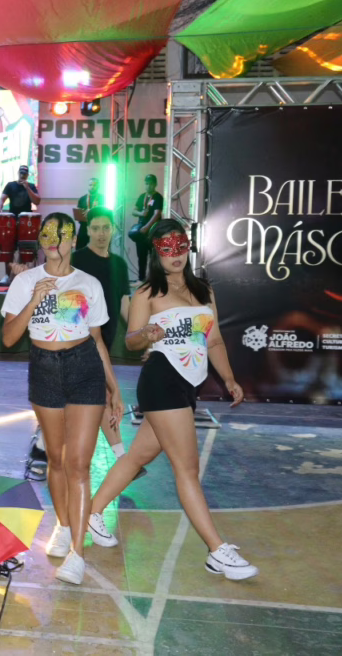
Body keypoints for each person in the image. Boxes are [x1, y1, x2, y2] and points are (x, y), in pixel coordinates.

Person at [86, 219, 258, 581]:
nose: (175, 254)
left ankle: (93, 512)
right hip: (162, 380)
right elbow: (132, 341)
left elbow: (213, 340)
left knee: (138, 456)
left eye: (180, 246)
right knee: (187, 469)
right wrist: (146, 334)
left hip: (187, 386)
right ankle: (217, 551)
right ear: (156, 253)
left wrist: (229, 378)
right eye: (166, 248)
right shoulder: (148, 293)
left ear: (188, 247)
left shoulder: (204, 290)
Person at [0, 212, 123, 585]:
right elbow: (8, 338)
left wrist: (114, 387)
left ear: (73, 240)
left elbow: (98, 340)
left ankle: (77, 554)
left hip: (84, 367)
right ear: (41, 240)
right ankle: (65, 525)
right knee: (56, 458)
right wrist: (33, 301)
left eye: (63, 234)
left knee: (79, 464)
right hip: (44, 369)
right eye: (48, 234)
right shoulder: (25, 281)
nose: (55, 240)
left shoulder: (88, 283)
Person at [71, 207, 134, 463]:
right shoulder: (76, 260)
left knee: (99, 398)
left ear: (113, 230)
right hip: (78, 343)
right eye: (96, 228)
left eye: (105, 228)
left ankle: (43, 443)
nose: (101, 233)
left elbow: (124, 304)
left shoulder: (119, 264)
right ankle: (122, 459)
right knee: (102, 396)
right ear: (88, 230)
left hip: (103, 342)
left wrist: (141, 334)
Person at [0, 164, 41, 280]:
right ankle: (7, 275)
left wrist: (28, 188)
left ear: (27, 175)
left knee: (24, 250)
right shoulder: (10, 185)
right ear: (18, 173)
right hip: (11, 221)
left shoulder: (31, 186)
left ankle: (20, 274)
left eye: (24, 174)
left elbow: (37, 201)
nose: (22, 176)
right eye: (21, 173)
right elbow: (2, 199)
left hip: (26, 222)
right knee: (8, 249)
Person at [128, 174, 164, 282]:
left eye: (151, 184)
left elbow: (157, 214)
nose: (149, 186)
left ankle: (155, 280)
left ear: (155, 184)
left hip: (153, 230)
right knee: (141, 256)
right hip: (141, 230)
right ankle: (141, 279)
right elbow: (134, 211)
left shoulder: (158, 197)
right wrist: (141, 213)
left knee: (154, 257)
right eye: (147, 184)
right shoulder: (142, 196)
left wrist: (147, 226)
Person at [73, 178, 104, 250]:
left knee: (98, 248)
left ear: (98, 186)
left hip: (97, 227)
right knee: (79, 247)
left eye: (94, 185)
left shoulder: (102, 198)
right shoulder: (82, 199)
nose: (92, 187)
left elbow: (104, 212)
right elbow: (79, 213)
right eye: (90, 185)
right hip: (84, 226)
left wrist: (91, 212)